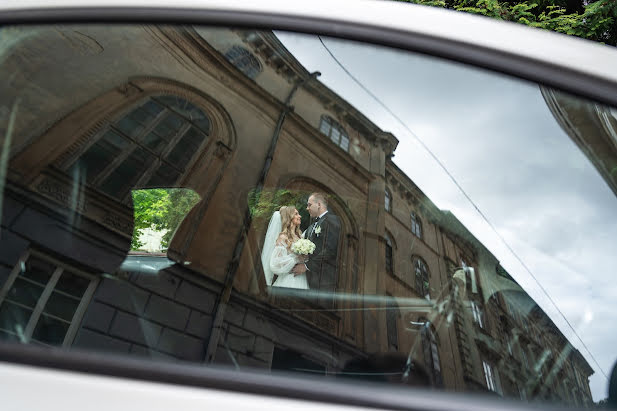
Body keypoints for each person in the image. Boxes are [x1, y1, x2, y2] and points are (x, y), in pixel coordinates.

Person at [292, 192, 340, 294]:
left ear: (319, 205)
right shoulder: (311, 227)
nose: (307, 208)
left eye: (309, 205)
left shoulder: (331, 221)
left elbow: (330, 249)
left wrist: (306, 266)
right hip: (311, 279)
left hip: (325, 279)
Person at [261, 206, 309, 289]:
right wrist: (296, 259)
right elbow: (275, 264)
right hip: (289, 280)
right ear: (289, 217)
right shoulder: (283, 237)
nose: (300, 216)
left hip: (302, 278)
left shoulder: (300, 236)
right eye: (296, 214)